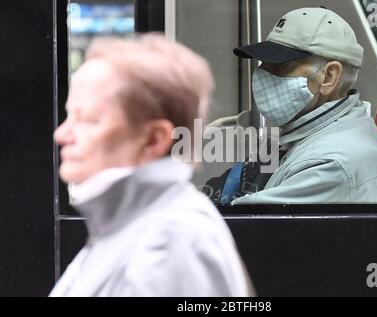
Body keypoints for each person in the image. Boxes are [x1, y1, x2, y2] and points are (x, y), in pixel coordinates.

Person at [50, 34, 253, 297]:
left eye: (88, 119)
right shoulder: (132, 225)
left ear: (154, 139)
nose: (62, 134)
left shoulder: (171, 241)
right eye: (70, 116)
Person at [231, 7, 377, 204]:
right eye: (264, 63)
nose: (263, 75)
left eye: (281, 65)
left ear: (329, 76)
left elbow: (244, 225)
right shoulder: (314, 137)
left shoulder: (332, 165)